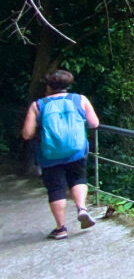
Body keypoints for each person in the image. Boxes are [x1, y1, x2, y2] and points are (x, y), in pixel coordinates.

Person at [21, 69, 100, 240]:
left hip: (49, 154)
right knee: (78, 179)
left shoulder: (38, 105)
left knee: (56, 188)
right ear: (67, 85)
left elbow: (27, 134)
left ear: (48, 86)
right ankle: (82, 209)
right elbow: (94, 123)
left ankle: (61, 228)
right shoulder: (80, 99)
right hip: (76, 150)